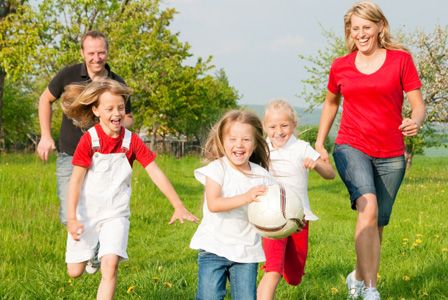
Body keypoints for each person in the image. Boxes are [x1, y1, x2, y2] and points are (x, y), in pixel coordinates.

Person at [315, 2, 426, 299]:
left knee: (377, 222)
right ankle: (370, 290)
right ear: (349, 32)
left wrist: (414, 121)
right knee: (368, 207)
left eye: (366, 27)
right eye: (355, 29)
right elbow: (331, 103)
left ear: (379, 27)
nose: (361, 34)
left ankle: (358, 275)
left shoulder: (400, 60)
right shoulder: (340, 65)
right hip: (351, 145)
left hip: (391, 152)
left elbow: (418, 104)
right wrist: (319, 142)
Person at [61, 78, 198, 300]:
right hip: (87, 213)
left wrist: (178, 205)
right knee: (74, 271)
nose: (117, 113)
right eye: (110, 108)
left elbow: (155, 172)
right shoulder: (90, 140)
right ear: (96, 110)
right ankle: (95, 252)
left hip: (116, 213)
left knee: (111, 265)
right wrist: (72, 218)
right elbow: (75, 181)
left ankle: (104, 254)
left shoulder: (131, 141)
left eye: (121, 108)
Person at [37, 30, 133, 225]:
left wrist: (115, 122)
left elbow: (128, 117)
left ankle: (98, 256)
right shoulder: (68, 75)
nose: (96, 58)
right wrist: (46, 136)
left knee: (100, 213)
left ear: (107, 52)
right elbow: (44, 99)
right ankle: (84, 255)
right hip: (70, 156)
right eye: (91, 53)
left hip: (103, 158)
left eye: (101, 53)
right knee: (69, 216)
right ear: (82, 53)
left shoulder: (117, 82)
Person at [190, 110, 275, 300]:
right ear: (222, 141)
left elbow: (277, 207)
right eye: (232, 139)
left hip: (246, 251)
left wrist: (290, 221)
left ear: (255, 143)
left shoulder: (263, 176)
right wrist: (246, 197)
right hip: (214, 247)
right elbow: (214, 203)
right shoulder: (216, 169)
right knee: (209, 297)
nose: (239, 144)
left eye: (246, 139)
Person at [257, 99, 335, 300]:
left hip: (299, 219)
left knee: (294, 276)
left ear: (293, 125)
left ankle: (288, 269)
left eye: (284, 125)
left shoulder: (302, 147)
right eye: (272, 126)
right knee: (272, 270)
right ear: (265, 127)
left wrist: (316, 165)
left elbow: (330, 173)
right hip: (271, 216)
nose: (279, 131)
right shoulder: (262, 149)